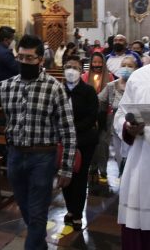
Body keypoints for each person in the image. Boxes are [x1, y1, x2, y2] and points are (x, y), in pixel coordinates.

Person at [0, 34, 76, 250]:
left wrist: (66, 169)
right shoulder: (7, 86)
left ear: (40, 60)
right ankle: (39, 243)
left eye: (30, 58)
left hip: (42, 157)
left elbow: (68, 130)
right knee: (27, 209)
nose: (24, 62)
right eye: (21, 58)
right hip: (15, 155)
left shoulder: (54, 88)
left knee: (37, 212)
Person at [113, 63, 150, 249]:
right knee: (139, 234)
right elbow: (120, 115)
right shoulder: (139, 77)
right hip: (142, 164)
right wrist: (129, 127)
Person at [62, 55, 99, 231]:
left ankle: (77, 213)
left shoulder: (88, 91)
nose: (71, 70)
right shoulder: (59, 90)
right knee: (65, 173)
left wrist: (72, 129)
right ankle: (70, 209)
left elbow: (92, 117)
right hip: (63, 140)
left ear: (81, 71)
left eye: (75, 67)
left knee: (79, 176)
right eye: (68, 66)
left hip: (84, 139)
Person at [98, 55, 138, 178]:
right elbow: (100, 101)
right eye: (123, 65)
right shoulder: (111, 86)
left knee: (132, 160)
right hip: (116, 129)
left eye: (130, 66)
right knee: (120, 157)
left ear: (135, 69)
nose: (126, 68)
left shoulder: (138, 86)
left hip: (134, 129)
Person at [81, 52, 114, 182]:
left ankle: (103, 170)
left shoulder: (109, 76)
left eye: (99, 62)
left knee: (103, 143)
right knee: (91, 142)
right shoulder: (84, 76)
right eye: (94, 62)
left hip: (105, 114)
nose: (97, 65)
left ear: (103, 63)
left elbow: (111, 96)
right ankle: (92, 167)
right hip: (89, 115)